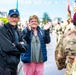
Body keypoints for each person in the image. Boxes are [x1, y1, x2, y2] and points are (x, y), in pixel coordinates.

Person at [0, 9, 27, 75]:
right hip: (5, 66)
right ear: (8, 17)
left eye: (16, 17)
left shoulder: (17, 30)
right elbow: (8, 48)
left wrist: (16, 45)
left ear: (19, 18)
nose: (14, 19)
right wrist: (20, 47)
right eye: (12, 17)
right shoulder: (2, 30)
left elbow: (25, 46)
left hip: (15, 65)